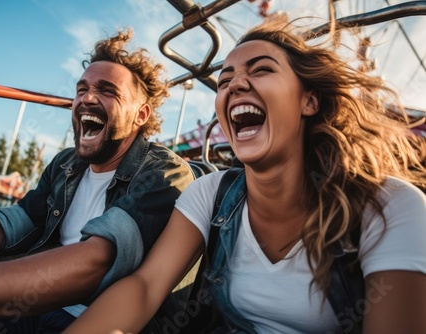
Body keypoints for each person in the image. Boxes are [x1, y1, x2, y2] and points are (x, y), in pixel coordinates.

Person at [63, 17, 426, 334]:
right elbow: (144, 288)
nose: (235, 85)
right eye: (225, 81)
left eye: (261, 69)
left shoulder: (390, 207)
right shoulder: (211, 194)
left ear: (309, 101)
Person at [0, 28, 195, 333]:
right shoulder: (66, 163)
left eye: (107, 91)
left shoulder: (163, 172)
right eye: (81, 89)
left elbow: (98, 259)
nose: (87, 98)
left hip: (89, 318)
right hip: (34, 303)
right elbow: (11, 223)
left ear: (141, 114)